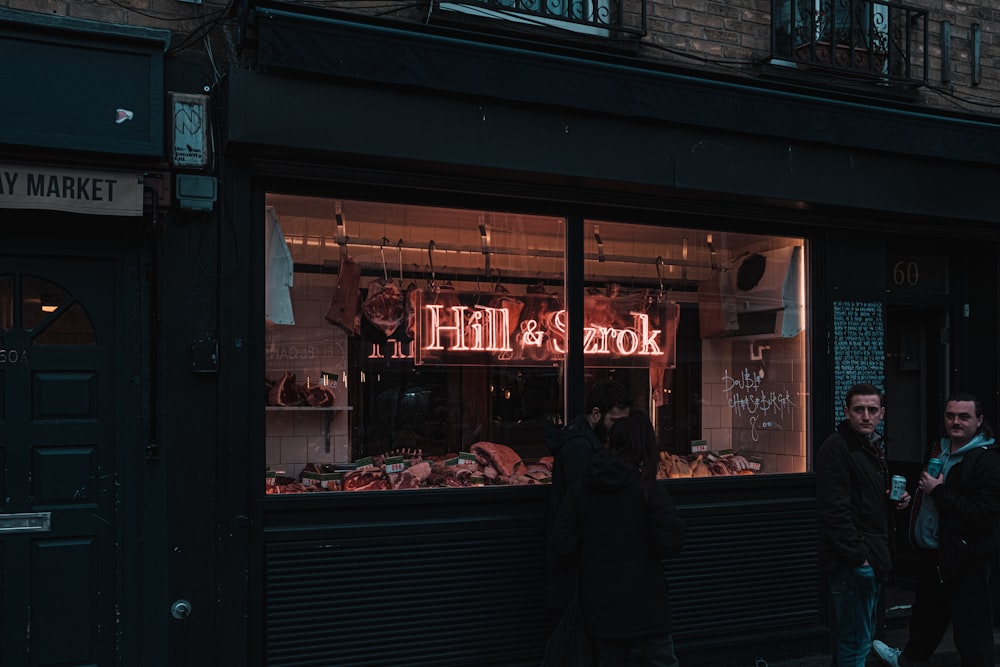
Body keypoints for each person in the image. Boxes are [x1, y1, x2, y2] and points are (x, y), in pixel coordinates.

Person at [873, 392, 1000, 667]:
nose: (956, 422)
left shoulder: (986, 461)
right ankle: (907, 660)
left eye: (964, 417)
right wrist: (908, 500)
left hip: (965, 559)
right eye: (950, 415)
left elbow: (982, 514)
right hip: (933, 552)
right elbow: (927, 496)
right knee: (926, 615)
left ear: (979, 421)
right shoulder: (940, 449)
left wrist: (940, 491)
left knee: (972, 630)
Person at [552, 412, 686, 666]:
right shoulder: (647, 490)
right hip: (645, 601)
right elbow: (672, 540)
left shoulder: (582, 489)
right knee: (662, 660)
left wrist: (590, 560)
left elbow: (563, 540)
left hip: (600, 603)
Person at [816, 383, 911, 667]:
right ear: (846, 412)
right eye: (859, 410)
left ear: (882, 413)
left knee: (856, 638)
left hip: (869, 556)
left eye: (872, 410)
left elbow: (864, 500)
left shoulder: (871, 447)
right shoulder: (836, 448)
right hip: (852, 562)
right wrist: (860, 558)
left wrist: (896, 501)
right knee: (856, 642)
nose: (866, 416)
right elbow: (834, 512)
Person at [544, 378, 631, 617]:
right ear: (596, 414)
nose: (620, 428)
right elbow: (584, 505)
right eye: (615, 421)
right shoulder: (580, 448)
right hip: (578, 563)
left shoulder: (585, 441)